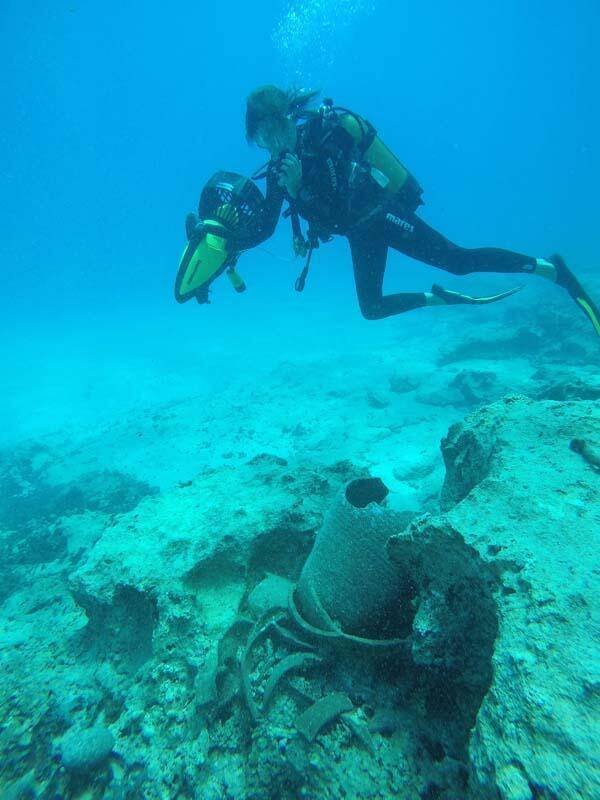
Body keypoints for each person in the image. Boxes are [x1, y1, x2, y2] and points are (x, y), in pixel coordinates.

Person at [189, 85, 600, 336]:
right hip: (359, 232)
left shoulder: (326, 135)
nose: (268, 143)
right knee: (371, 309)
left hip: (380, 214)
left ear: (284, 118)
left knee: (458, 260)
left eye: (269, 130)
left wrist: (300, 188)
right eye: (258, 137)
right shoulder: (280, 167)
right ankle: (438, 299)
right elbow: (263, 229)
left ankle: (553, 269)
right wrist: (218, 249)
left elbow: (337, 207)